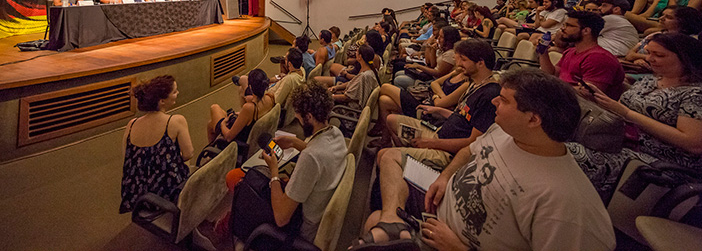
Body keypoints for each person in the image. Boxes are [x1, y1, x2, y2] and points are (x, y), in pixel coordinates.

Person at [355, 69, 615, 251]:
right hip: (440, 201)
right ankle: (392, 223)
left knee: (372, 222)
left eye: (503, 100)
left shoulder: (568, 206)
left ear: (533, 119)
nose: (493, 102)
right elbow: (471, 150)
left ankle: (389, 224)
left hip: (453, 240)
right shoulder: (504, 130)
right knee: (388, 160)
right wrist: (445, 177)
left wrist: (459, 249)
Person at [569, 33, 702, 202]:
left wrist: (628, 114)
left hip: (662, 165)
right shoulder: (649, 81)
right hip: (620, 141)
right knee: (553, 137)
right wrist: (598, 98)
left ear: (685, 59)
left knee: (569, 154)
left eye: (659, 55)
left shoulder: (695, 94)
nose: (649, 59)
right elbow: (620, 108)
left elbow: (693, 143)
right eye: (649, 53)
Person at [375, 39, 499, 169]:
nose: (458, 63)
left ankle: (409, 159)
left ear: (480, 63)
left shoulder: (490, 95)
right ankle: (408, 157)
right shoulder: (475, 83)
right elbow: (463, 117)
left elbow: (472, 142)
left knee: (383, 156)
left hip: (446, 152)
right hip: (440, 133)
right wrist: (438, 110)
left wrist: (430, 143)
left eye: (463, 59)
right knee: (391, 120)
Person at [261, 83, 347, 242]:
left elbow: (281, 218)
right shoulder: (336, 133)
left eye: (299, 116)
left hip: (300, 228)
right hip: (315, 207)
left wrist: (273, 171)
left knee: (239, 180)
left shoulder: (310, 158)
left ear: (309, 116)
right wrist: (294, 143)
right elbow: (320, 154)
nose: (297, 119)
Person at [120, 75, 193, 213]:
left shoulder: (131, 125)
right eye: (174, 92)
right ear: (162, 101)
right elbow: (188, 154)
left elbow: (128, 160)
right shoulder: (176, 121)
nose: (178, 93)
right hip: (167, 194)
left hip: (138, 197)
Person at [539, 10, 625, 100]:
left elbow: (589, 95)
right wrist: (543, 52)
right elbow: (552, 74)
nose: (563, 29)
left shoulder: (599, 58)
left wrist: (553, 87)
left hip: (583, 108)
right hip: (562, 98)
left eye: (569, 26)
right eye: (565, 25)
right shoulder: (571, 52)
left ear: (586, 31)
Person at [206, 68, 275, 145]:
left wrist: (222, 124)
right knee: (210, 124)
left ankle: (217, 148)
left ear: (251, 87)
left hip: (237, 141)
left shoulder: (249, 108)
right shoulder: (270, 97)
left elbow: (228, 137)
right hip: (249, 133)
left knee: (214, 107)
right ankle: (212, 154)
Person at [624, 6, 702, 70]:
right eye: (662, 15)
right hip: (641, 69)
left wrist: (643, 58)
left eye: (669, 17)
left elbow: (675, 64)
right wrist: (637, 60)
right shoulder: (656, 35)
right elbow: (630, 55)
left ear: (683, 22)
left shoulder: (690, 41)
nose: (661, 18)